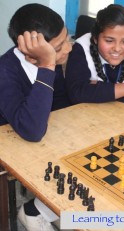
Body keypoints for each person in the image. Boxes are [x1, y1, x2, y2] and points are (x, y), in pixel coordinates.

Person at [0, 3, 73, 230]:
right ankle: (33, 211)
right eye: (60, 47)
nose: (69, 48)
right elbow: (31, 130)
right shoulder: (5, 72)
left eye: (67, 38)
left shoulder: (52, 61)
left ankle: (50, 209)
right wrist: (48, 66)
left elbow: (61, 105)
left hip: (38, 138)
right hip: (10, 144)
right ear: (33, 58)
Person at [65, 4, 124, 110]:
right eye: (109, 41)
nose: (117, 48)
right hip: (84, 115)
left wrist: (95, 88)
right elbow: (75, 94)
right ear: (95, 38)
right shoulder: (81, 48)